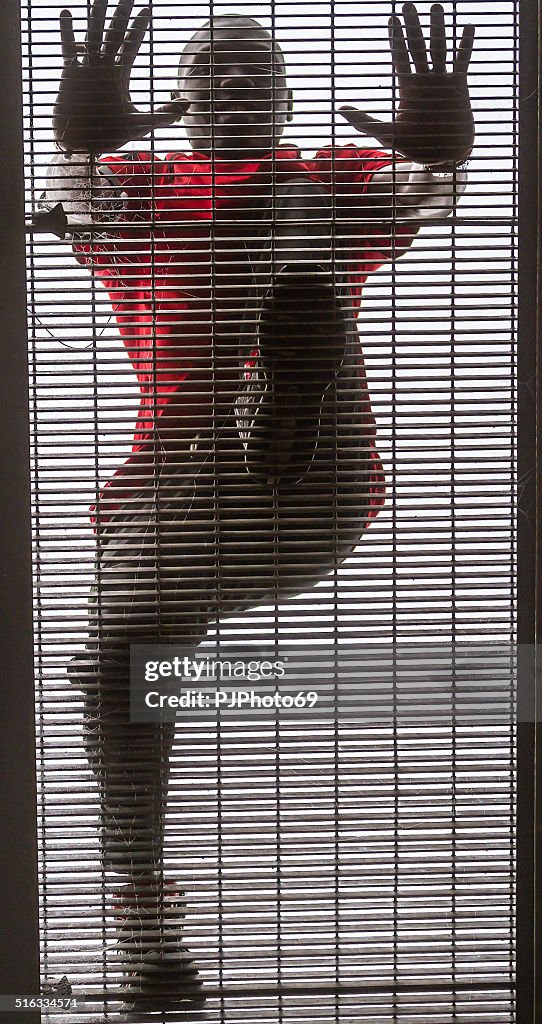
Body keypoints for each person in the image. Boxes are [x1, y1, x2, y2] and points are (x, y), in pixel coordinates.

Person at [44, 0, 474, 1004]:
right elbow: (79, 202)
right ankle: (146, 928)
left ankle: (279, 389)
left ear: (286, 94)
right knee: (116, 662)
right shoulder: (142, 185)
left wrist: (440, 151)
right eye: (211, 66)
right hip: (178, 500)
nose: (235, 81)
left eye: (256, 69)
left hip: (309, 474)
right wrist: (77, 141)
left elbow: (425, 192)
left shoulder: (327, 175)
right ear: (178, 96)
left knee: (292, 206)